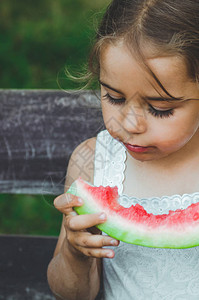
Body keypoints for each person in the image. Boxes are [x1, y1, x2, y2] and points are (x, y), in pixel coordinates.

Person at [47, 0, 199, 299]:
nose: (130, 124)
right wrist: (75, 253)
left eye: (160, 109)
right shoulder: (93, 161)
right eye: (114, 98)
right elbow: (73, 294)